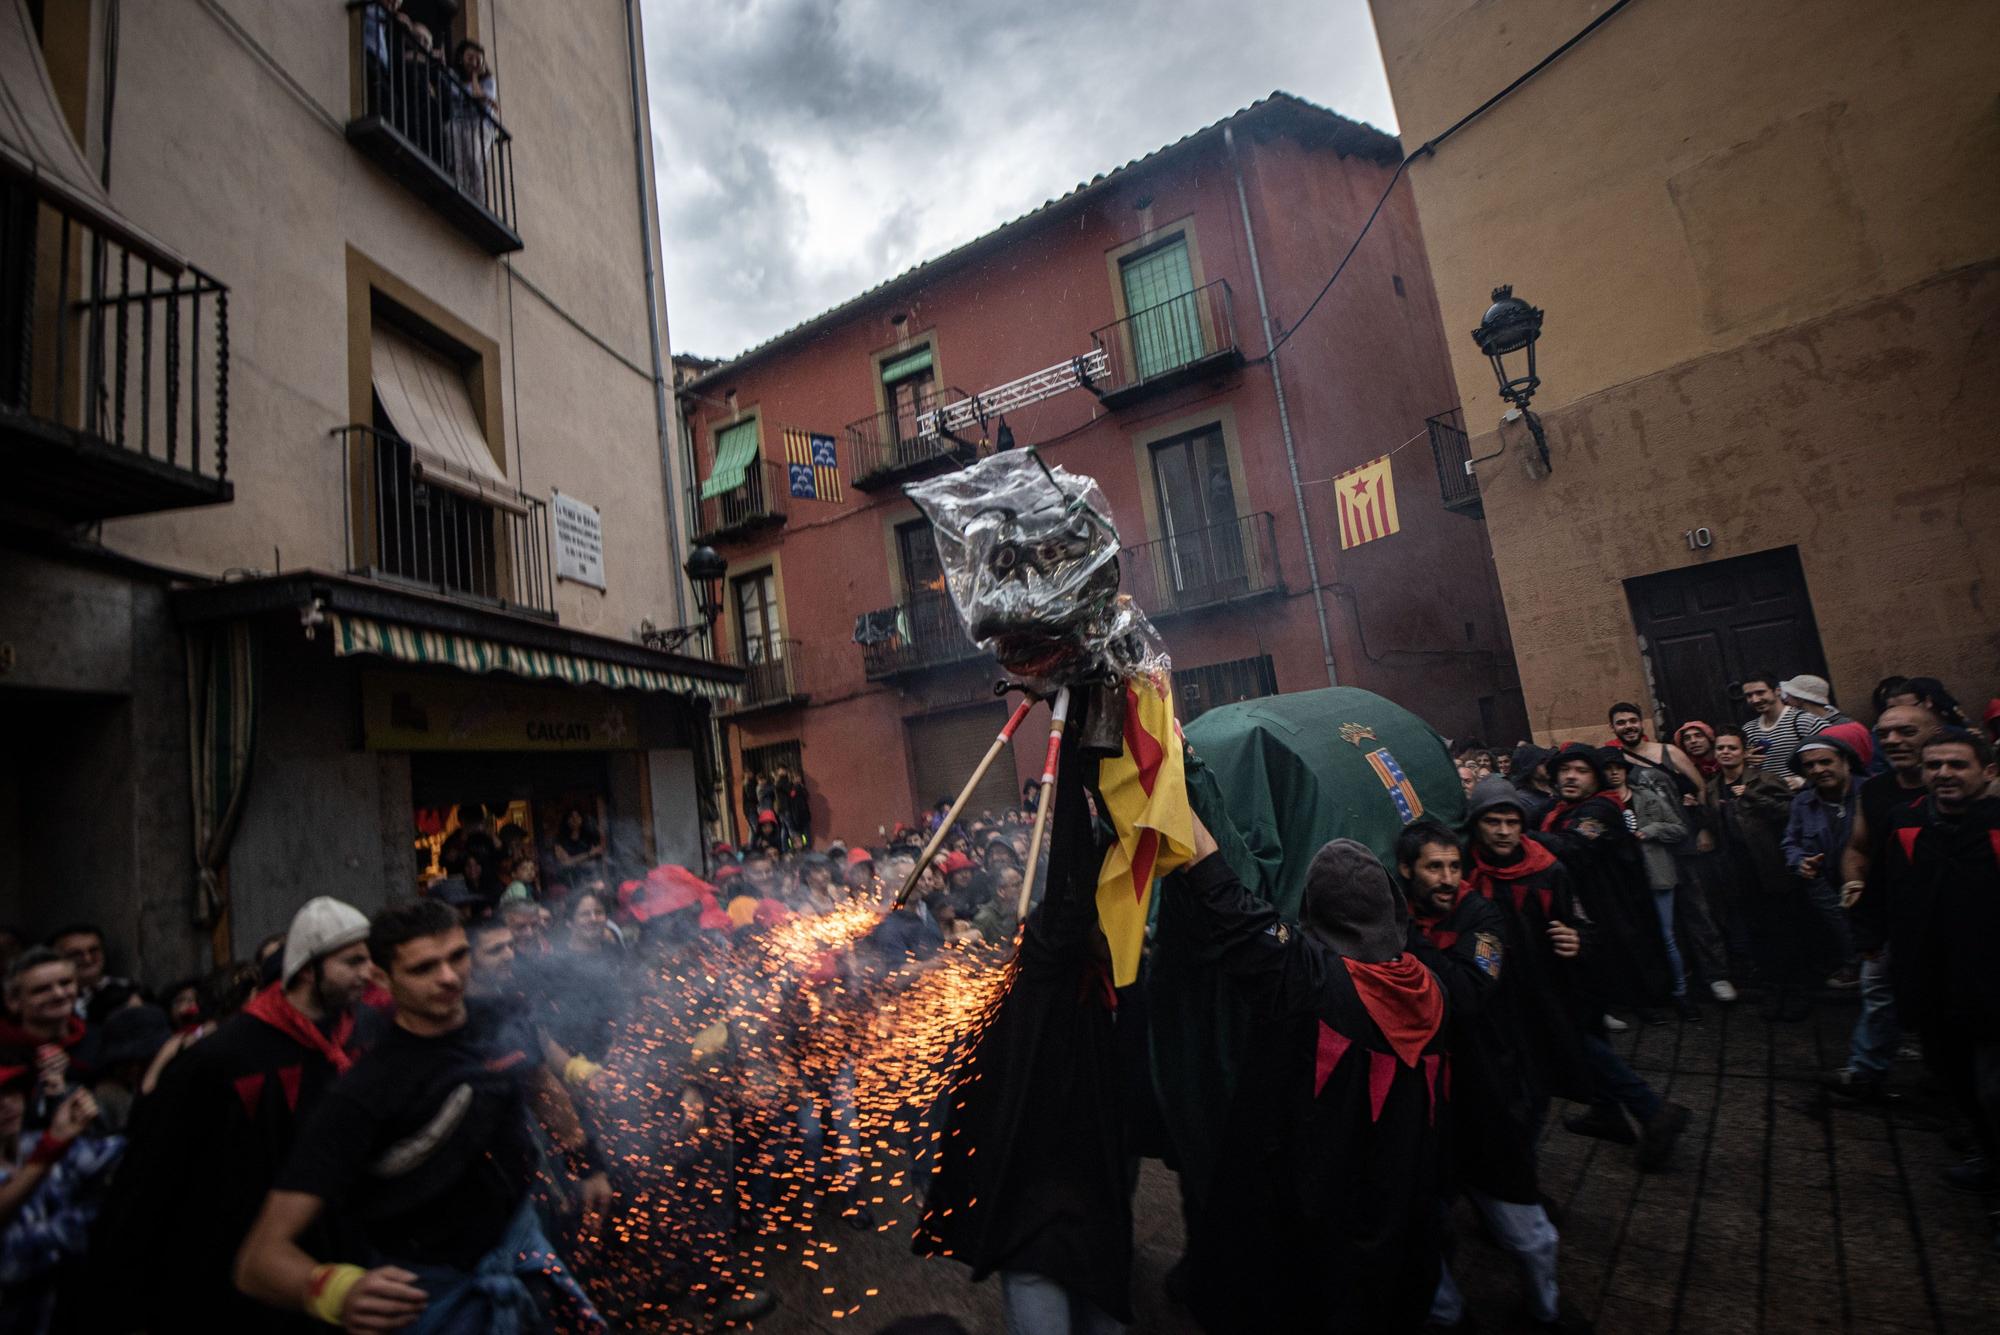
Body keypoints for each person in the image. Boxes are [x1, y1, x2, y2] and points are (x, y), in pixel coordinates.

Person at [234, 899, 609, 1332]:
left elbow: (542, 1089)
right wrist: (335, 1290)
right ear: (381, 977)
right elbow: (259, 1260)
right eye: (423, 968)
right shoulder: (367, 1089)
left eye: (457, 957)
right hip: (433, 1294)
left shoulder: (501, 1020)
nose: (448, 978)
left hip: (522, 1247)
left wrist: (587, 1164)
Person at [1168, 813, 1451, 1331]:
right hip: (1402, 1218)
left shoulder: (1312, 980)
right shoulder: (1432, 988)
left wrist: (1174, 803)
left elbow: (1230, 903)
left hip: (1320, 1228)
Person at [90, 897, 377, 1334]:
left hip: (338, 1259)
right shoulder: (224, 1056)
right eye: (352, 961)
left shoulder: (362, 1033)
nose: (368, 972)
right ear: (306, 970)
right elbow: (153, 1176)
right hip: (238, 1275)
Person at [1397, 822, 1591, 1334]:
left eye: (1454, 866)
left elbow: (1467, 992)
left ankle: (1544, 1309)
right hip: (1423, 1105)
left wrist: (1407, 948)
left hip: (1482, 1095)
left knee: (1526, 1231)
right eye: (1433, 867)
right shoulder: (1394, 918)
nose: (1447, 879)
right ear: (1405, 870)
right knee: (1418, 1228)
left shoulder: (1481, 918)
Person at [1848, 729, 2000, 1225]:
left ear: (1988, 772)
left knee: (1995, 1090)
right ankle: (1989, 1161)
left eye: (1957, 765)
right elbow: (1885, 892)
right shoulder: (1908, 823)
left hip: (1993, 981)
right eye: (1935, 766)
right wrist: (1871, 936)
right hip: (1933, 982)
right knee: (1958, 1084)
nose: (1943, 775)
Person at [1822, 704, 1940, 1098]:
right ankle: (1867, 1070)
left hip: (1949, 917)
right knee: (1878, 992)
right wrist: (1854, 886)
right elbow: (1858, 846)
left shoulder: (1954, 783)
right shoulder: (1874, 789)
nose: (1892, 741)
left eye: (1906, 731)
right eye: (1885, 733)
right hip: (1889, 914)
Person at [1533, 745, 1675, 1023]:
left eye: (1581, 771)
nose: (1571, 777)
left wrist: (1524, 836)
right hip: (1585, 896)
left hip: (1611, 897)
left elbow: (1572, 846)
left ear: (1596, 778)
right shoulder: (1557, 807)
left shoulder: (1601, 809)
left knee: (1622, 950)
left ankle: (1635, 1003)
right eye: (1564, 770)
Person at [0, 1066, 113, 1331]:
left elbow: (114, 1154)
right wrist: (51, 1147)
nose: (7, 1104)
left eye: (13, 1093)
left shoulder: (30, 1145)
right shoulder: (43, 1148)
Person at [1708, 729, 1808, 1019]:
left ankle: (1797, 991)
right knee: (1758, 933)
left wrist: (1751, 796)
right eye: (1721, 748)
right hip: (1738, 872)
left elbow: (1791, 811)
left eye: (1732, 747)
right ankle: (1773, 990)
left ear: (1743, 752)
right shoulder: (1713, 786)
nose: (1726, 752)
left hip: (1770, 866)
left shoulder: (1762, 779)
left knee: (1786, 930)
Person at [1599, 749, 1701, 1021]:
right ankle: (1653, 994)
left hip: (1656, 874)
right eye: (1607, 768)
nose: (1613, 772)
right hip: (1624, 881)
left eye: (1618, 767)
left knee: (1667, 936)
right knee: (1638, 937)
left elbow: (1678, 828)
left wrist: (1650, 831)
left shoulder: (1645, 796)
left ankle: (1681, 992)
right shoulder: (1601, 804)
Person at [1781, 736, 1862, 988]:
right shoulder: (1802, 802)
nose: (1818, 770)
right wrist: (1800, 862)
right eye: (1810, 765)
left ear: (1845, 762)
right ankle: (1853, 965)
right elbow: (1790, 841)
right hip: (1823, 880)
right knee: (1839, 924)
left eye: (1825, 762)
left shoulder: (1870, 791)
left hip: (1867, 878)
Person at [0, 949, 87, 1131]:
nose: (58, 994)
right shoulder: (4, 1050)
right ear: (13, 1001)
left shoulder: (97, 1040)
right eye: (42, 990)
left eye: (65, 983)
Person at [1608, 704, 1706, 803]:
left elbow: (1701, 788)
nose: (1628, 726)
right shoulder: (1617, 761)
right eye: (1621, 723)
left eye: (1633, 721)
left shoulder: (1669, 751)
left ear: (1641, 723)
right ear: (1612, 727)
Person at [1740, 670, 1827, 781]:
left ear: (1777, 691)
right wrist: (1744, 760)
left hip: (1804, 795)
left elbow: (1831, 758)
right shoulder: (1748, 730)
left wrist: (1802, 782)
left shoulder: (1804, 721)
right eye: (1749, 695)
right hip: (1768, 795)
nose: (1755, 700)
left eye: (1760, 693)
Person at [447, 38, 497, 203]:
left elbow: (479, 100)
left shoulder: (488, 81)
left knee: (475, 160)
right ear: (461, 59)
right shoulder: (453, 76)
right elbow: (467, 96)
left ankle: (478, 200)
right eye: (470, 57)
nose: (474, 62)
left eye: (478, 58)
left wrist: (475, 77)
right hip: (460, 123)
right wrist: (479, 97)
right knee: (458, 159)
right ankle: (460, 192)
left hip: (480, 127)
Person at [47, 926, 126, 1024]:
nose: (87, 959)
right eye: (76, 954)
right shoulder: (47, 999)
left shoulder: (128, 991)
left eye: (94, 950)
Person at [1781, 675, 1851, 727]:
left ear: (1800, 699)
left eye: (1788, 695)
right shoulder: (1803, 725)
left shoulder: (1843, 725)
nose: (1786, 700)